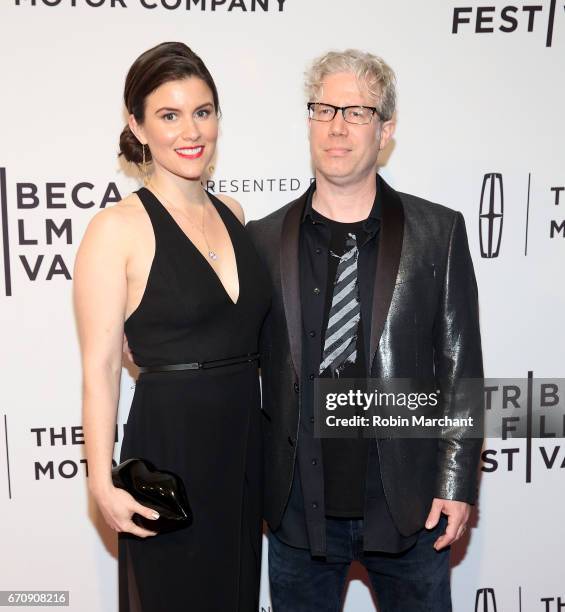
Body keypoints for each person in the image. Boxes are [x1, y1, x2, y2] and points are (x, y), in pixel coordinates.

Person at [246, 49, 483, 611]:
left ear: (386, 128)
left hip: (408, 512)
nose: (337, 126)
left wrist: (455, 481)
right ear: (309, 119)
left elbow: (461, 368)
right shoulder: (260, 238)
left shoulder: (438, 233)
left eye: (357, 112)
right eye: (325, 109)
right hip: (297, 516)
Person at [74, 42, 270, 611]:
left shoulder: (233, 215)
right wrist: (100, 482)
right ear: (137, 125)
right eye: (169, 115)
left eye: (202, 111)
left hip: (242, 450)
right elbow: (102, 368)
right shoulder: (116, 230)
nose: (191, 131)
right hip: (171, 454)